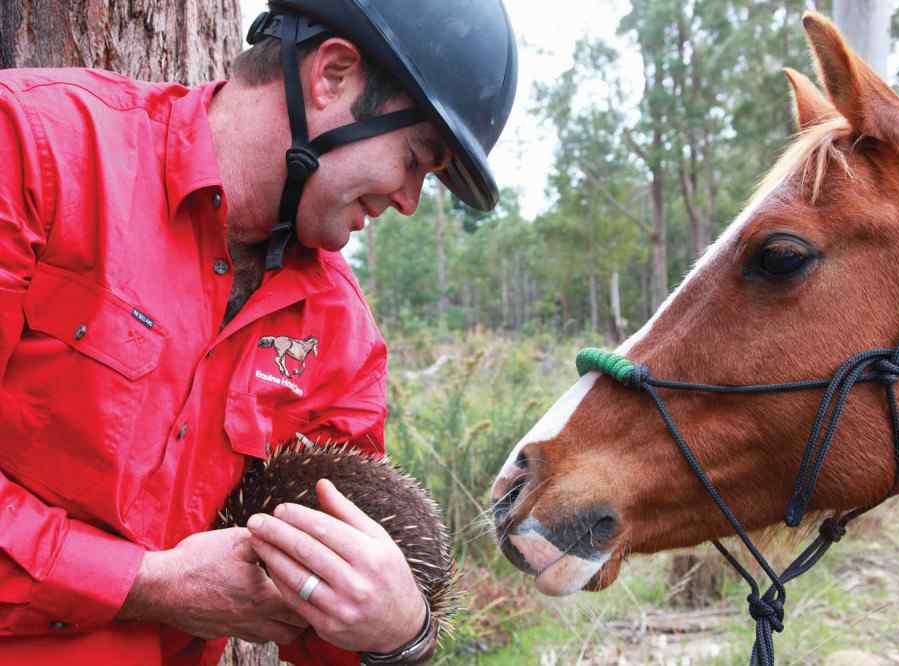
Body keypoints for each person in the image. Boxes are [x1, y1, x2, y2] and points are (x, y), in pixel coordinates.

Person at [0, 1, 518, 664]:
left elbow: (321, 608)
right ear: (331, 75)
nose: (410, 201)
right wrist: (147, 585)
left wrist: (399, 633)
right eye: (416, 159)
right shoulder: (37, 149)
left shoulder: (341, 337)